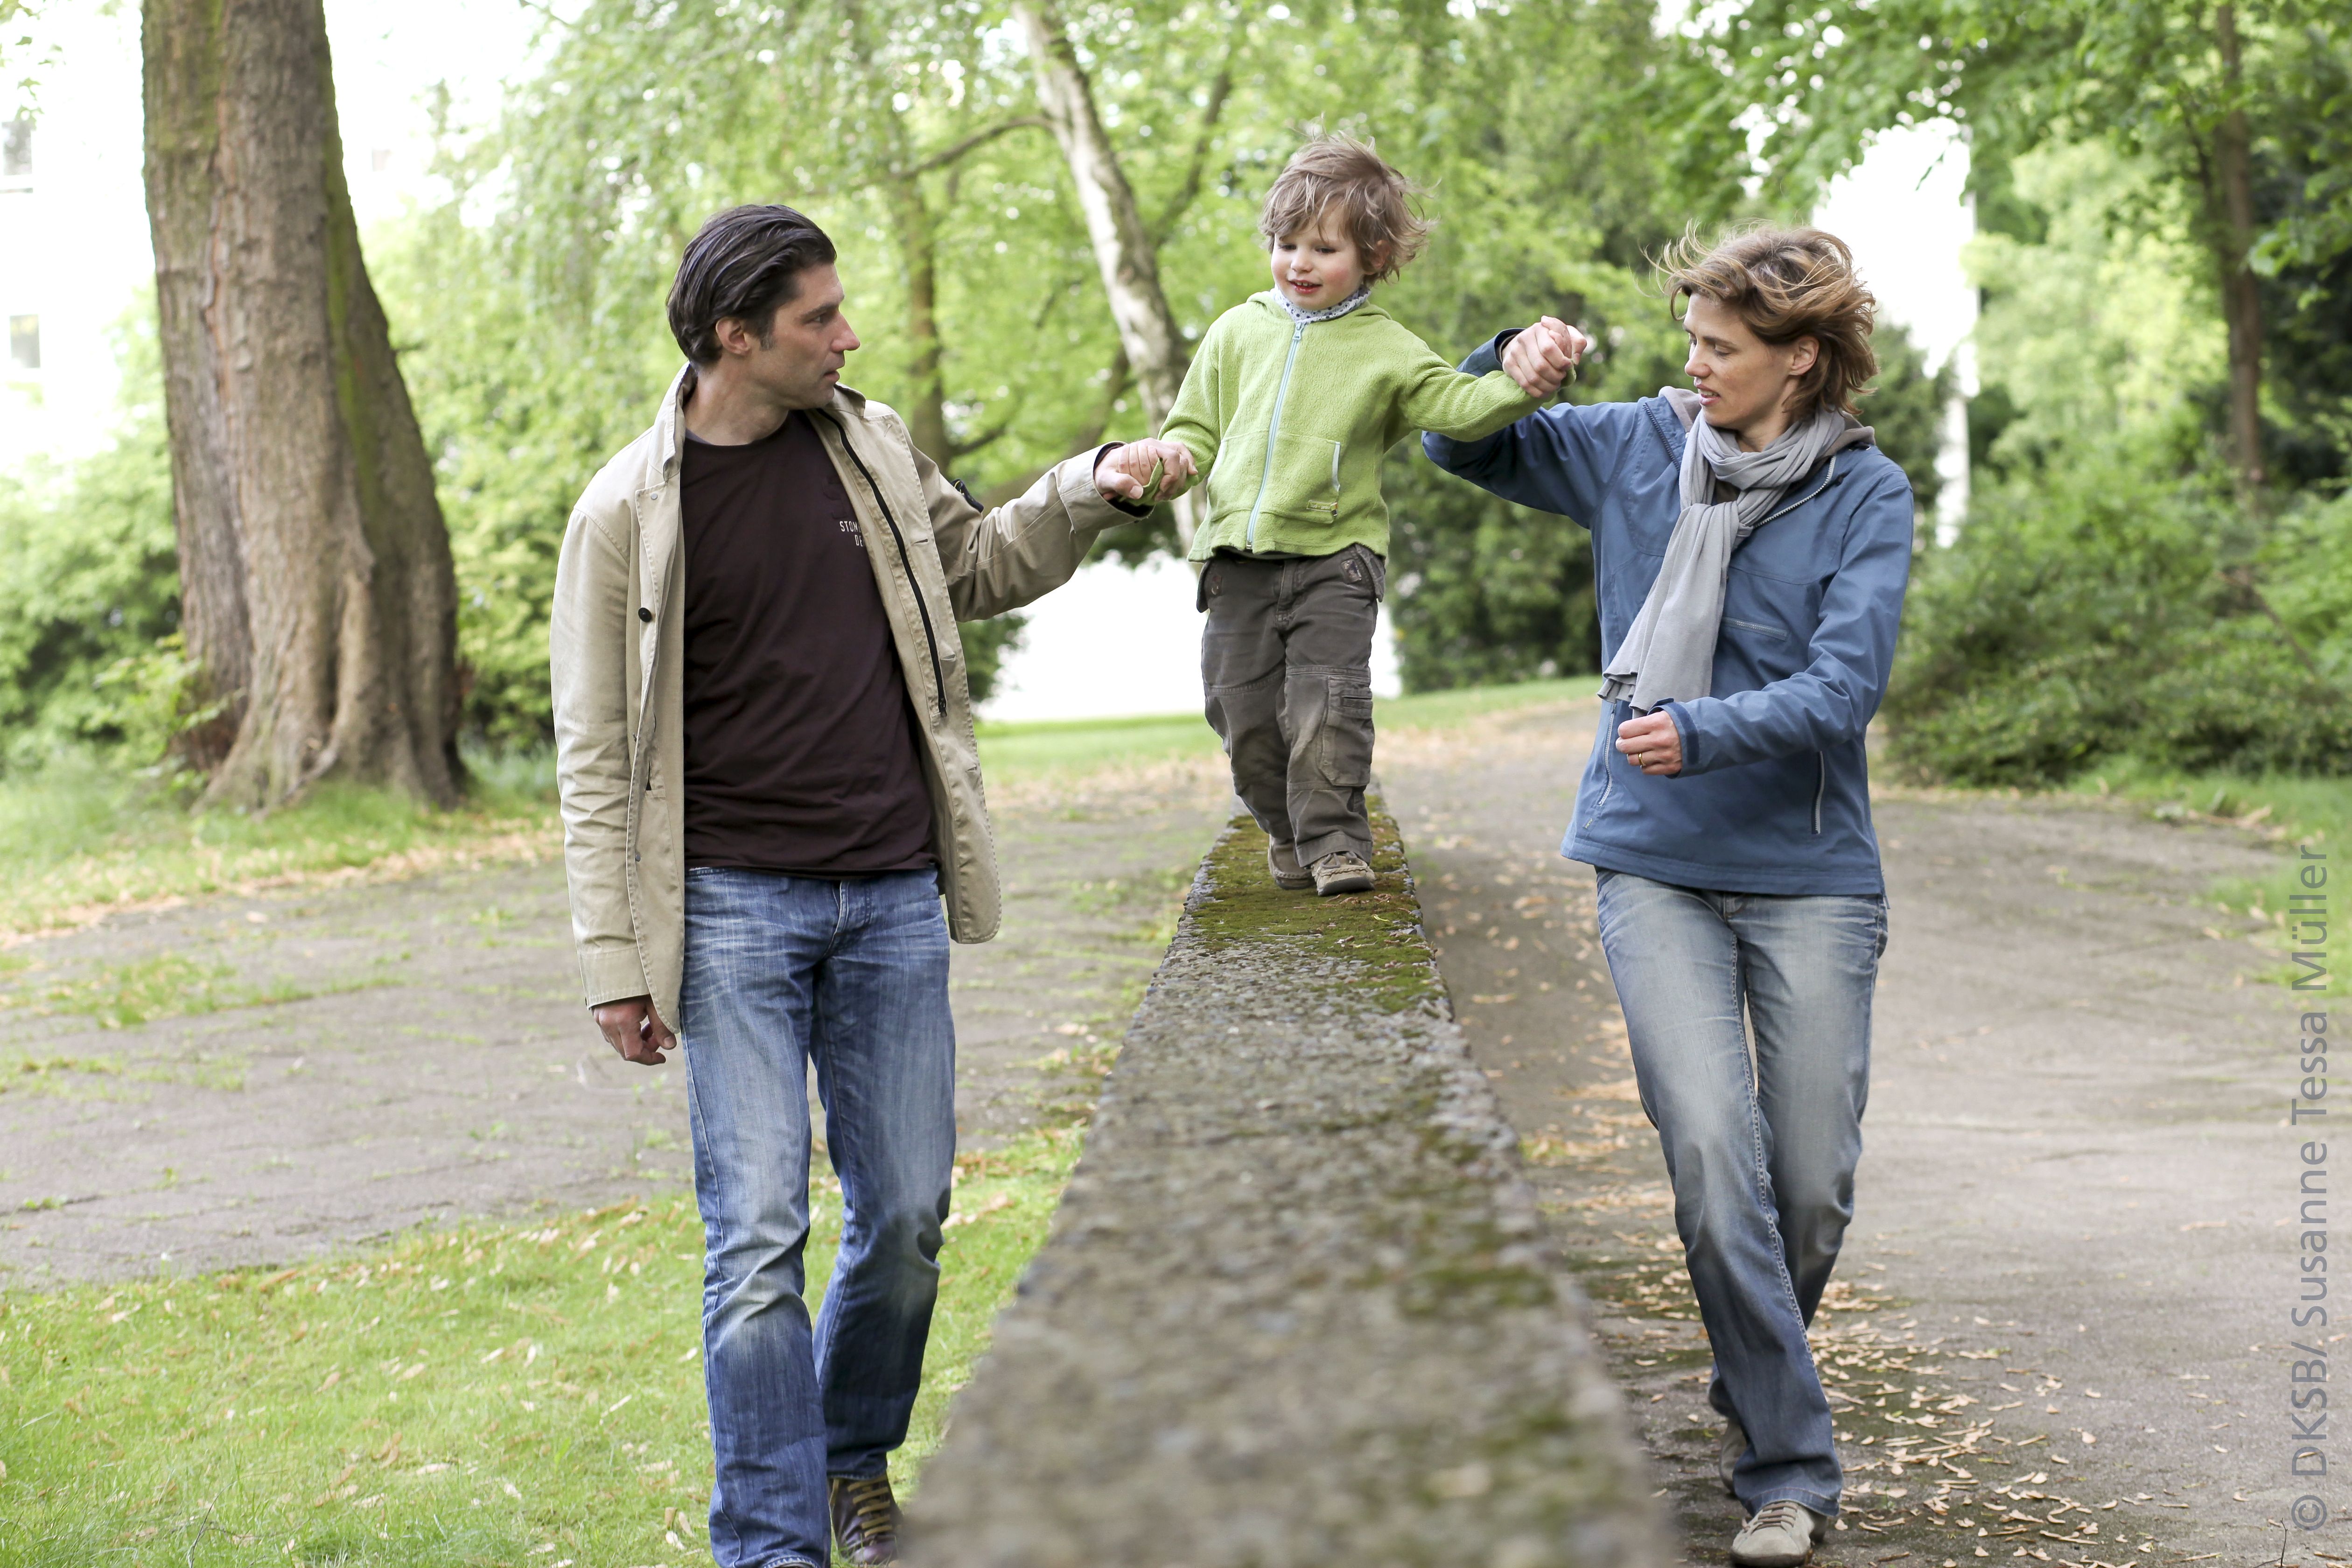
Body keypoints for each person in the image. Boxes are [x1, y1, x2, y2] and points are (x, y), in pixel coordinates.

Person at [548, 203, 1196, 1568]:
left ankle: (850, 1454)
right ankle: (772, 1541)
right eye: (818, 321)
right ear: (737, 337)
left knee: (904, 1220)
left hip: (893, 895)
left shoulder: (875, 442)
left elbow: (974, 568)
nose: (848, 337)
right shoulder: (625, 512)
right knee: (757, 1241)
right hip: (730, 914)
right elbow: (596, 752)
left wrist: (1091, 489)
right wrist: (617, 959)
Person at [1428, 227, 1913, 1566]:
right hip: (1653, 861)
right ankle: (1788, 1470)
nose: (1692, 366)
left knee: (1808, 1188)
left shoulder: (1866, 497)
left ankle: (1755, 1367)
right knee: (1712, 1155)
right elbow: (1457, 448)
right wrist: (1508, 373)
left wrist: (1704, 729)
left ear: (1800, 361)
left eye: (1721, 349)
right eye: (1691, 340)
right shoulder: (1639, 443)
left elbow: (1845, 687)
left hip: (1811, 874)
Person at [1157, 136, 1545, 896]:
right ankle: (1288, 832)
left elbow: (1461, 408)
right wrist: (1165, 466)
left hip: (1337, 560)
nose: (1299, 262)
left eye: (1323, 248)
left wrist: (1522, 382)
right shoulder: (1236, 332)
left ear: (1372, 256)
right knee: (1243, 718)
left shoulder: (1388, 348)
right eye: (1286, 243)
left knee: (1328, 709)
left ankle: (1336, 841)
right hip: (1238, 561)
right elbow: (1192, 430)